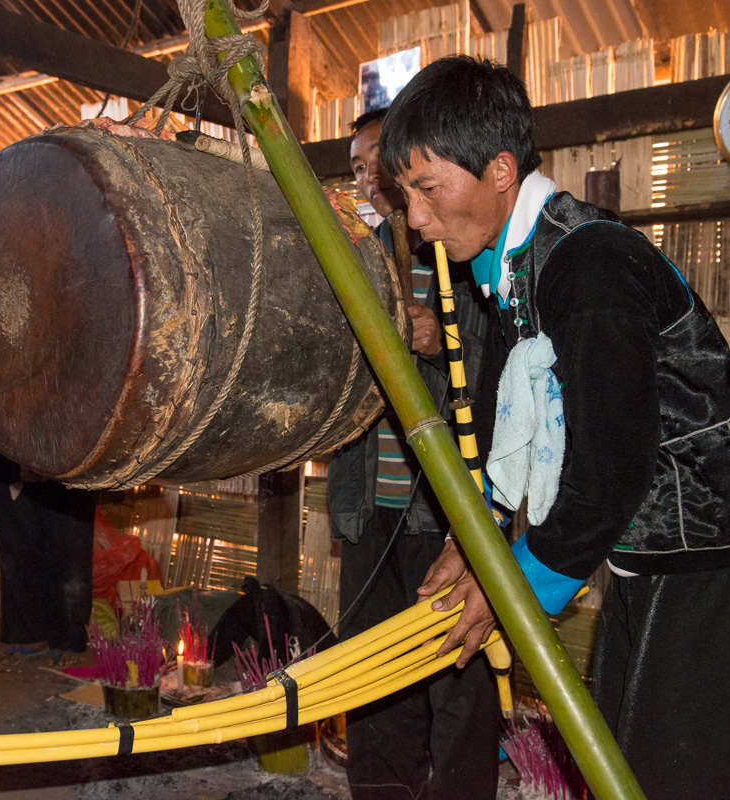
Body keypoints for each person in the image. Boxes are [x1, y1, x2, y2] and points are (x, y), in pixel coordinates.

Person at [380, 55, 730, 800]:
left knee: (683, 773)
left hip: (715, 540)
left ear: (499, 170)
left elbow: (610, 465)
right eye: (404, 195)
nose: (414, 219)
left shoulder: (588, 266)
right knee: (627, 754)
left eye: (425, 189)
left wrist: (514, 592)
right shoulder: (511, 268)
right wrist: (475, 530)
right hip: (645, 537)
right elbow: (512, 416)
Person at [326, 108, 498, 800]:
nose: (366, 178)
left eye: (377, 161)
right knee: (371, 673)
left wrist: (438, 344)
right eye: (356, 165)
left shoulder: (460, 258)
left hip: (445, 514)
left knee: (457, 678)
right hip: (370, 503)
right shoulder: (349, 257)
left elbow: (495, 382)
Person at [0, 452, 96, 667]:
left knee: (71, 550)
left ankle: (69, 638)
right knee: (17, 548)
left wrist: (47, 460)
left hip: (69, 451)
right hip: (11, 449)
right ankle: (28, 634)